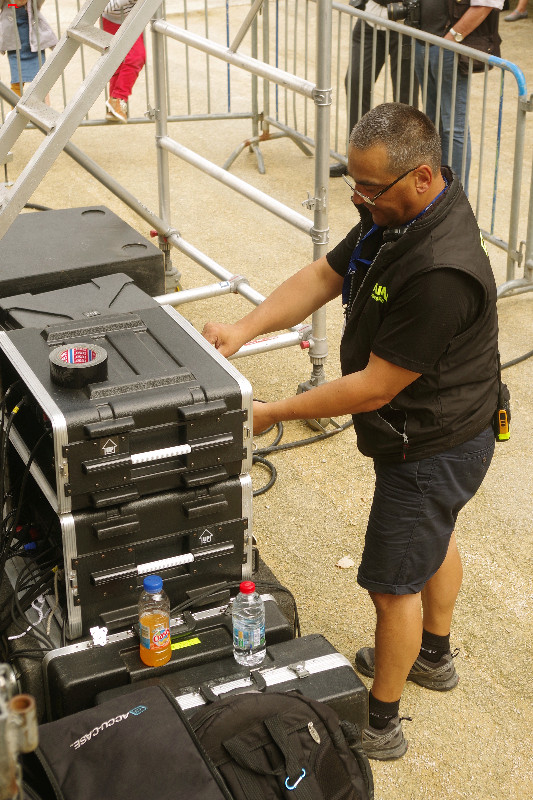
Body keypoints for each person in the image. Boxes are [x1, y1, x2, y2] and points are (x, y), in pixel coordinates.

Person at [203, 103, 500, 761]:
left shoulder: (440, 269)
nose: (360, 201)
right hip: (445, 429)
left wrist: (274, 411)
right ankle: (434, 657)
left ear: (422, 177)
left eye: (372, 189)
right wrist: (243, 329)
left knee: (391, 586)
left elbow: (373, 386)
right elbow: (323, 274)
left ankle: (381, 725)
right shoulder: (397, 213)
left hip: (431, 441)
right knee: (434, 533)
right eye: (354, 186)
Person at [414, 0, 504, 195]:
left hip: (449, 47)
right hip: (423, 40)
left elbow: (486, 3)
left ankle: (453, 200)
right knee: (432, 123)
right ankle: (434, 194)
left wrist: (451, 39)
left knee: (454, 126)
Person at [331, 0, 418, 178]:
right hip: (370, 20)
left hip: (405, 25)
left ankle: (402, 167)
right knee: (356, 82)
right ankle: (356, 158)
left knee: (405, 96)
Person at [0, 0, 57, 97]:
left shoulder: (32, 3)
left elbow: (38, 3)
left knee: (41, 81)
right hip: (15, 47)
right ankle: (15, 110)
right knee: (17, 81)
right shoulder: (8, 4)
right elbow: (12, 4)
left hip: (34, 44)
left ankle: (43, 109)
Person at [102, 0, 146, 123]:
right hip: (112, 19)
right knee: (117, 61)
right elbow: (106, 7)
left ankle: (116, 100)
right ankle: (116, 102)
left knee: (136, 57)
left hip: (133, 18)